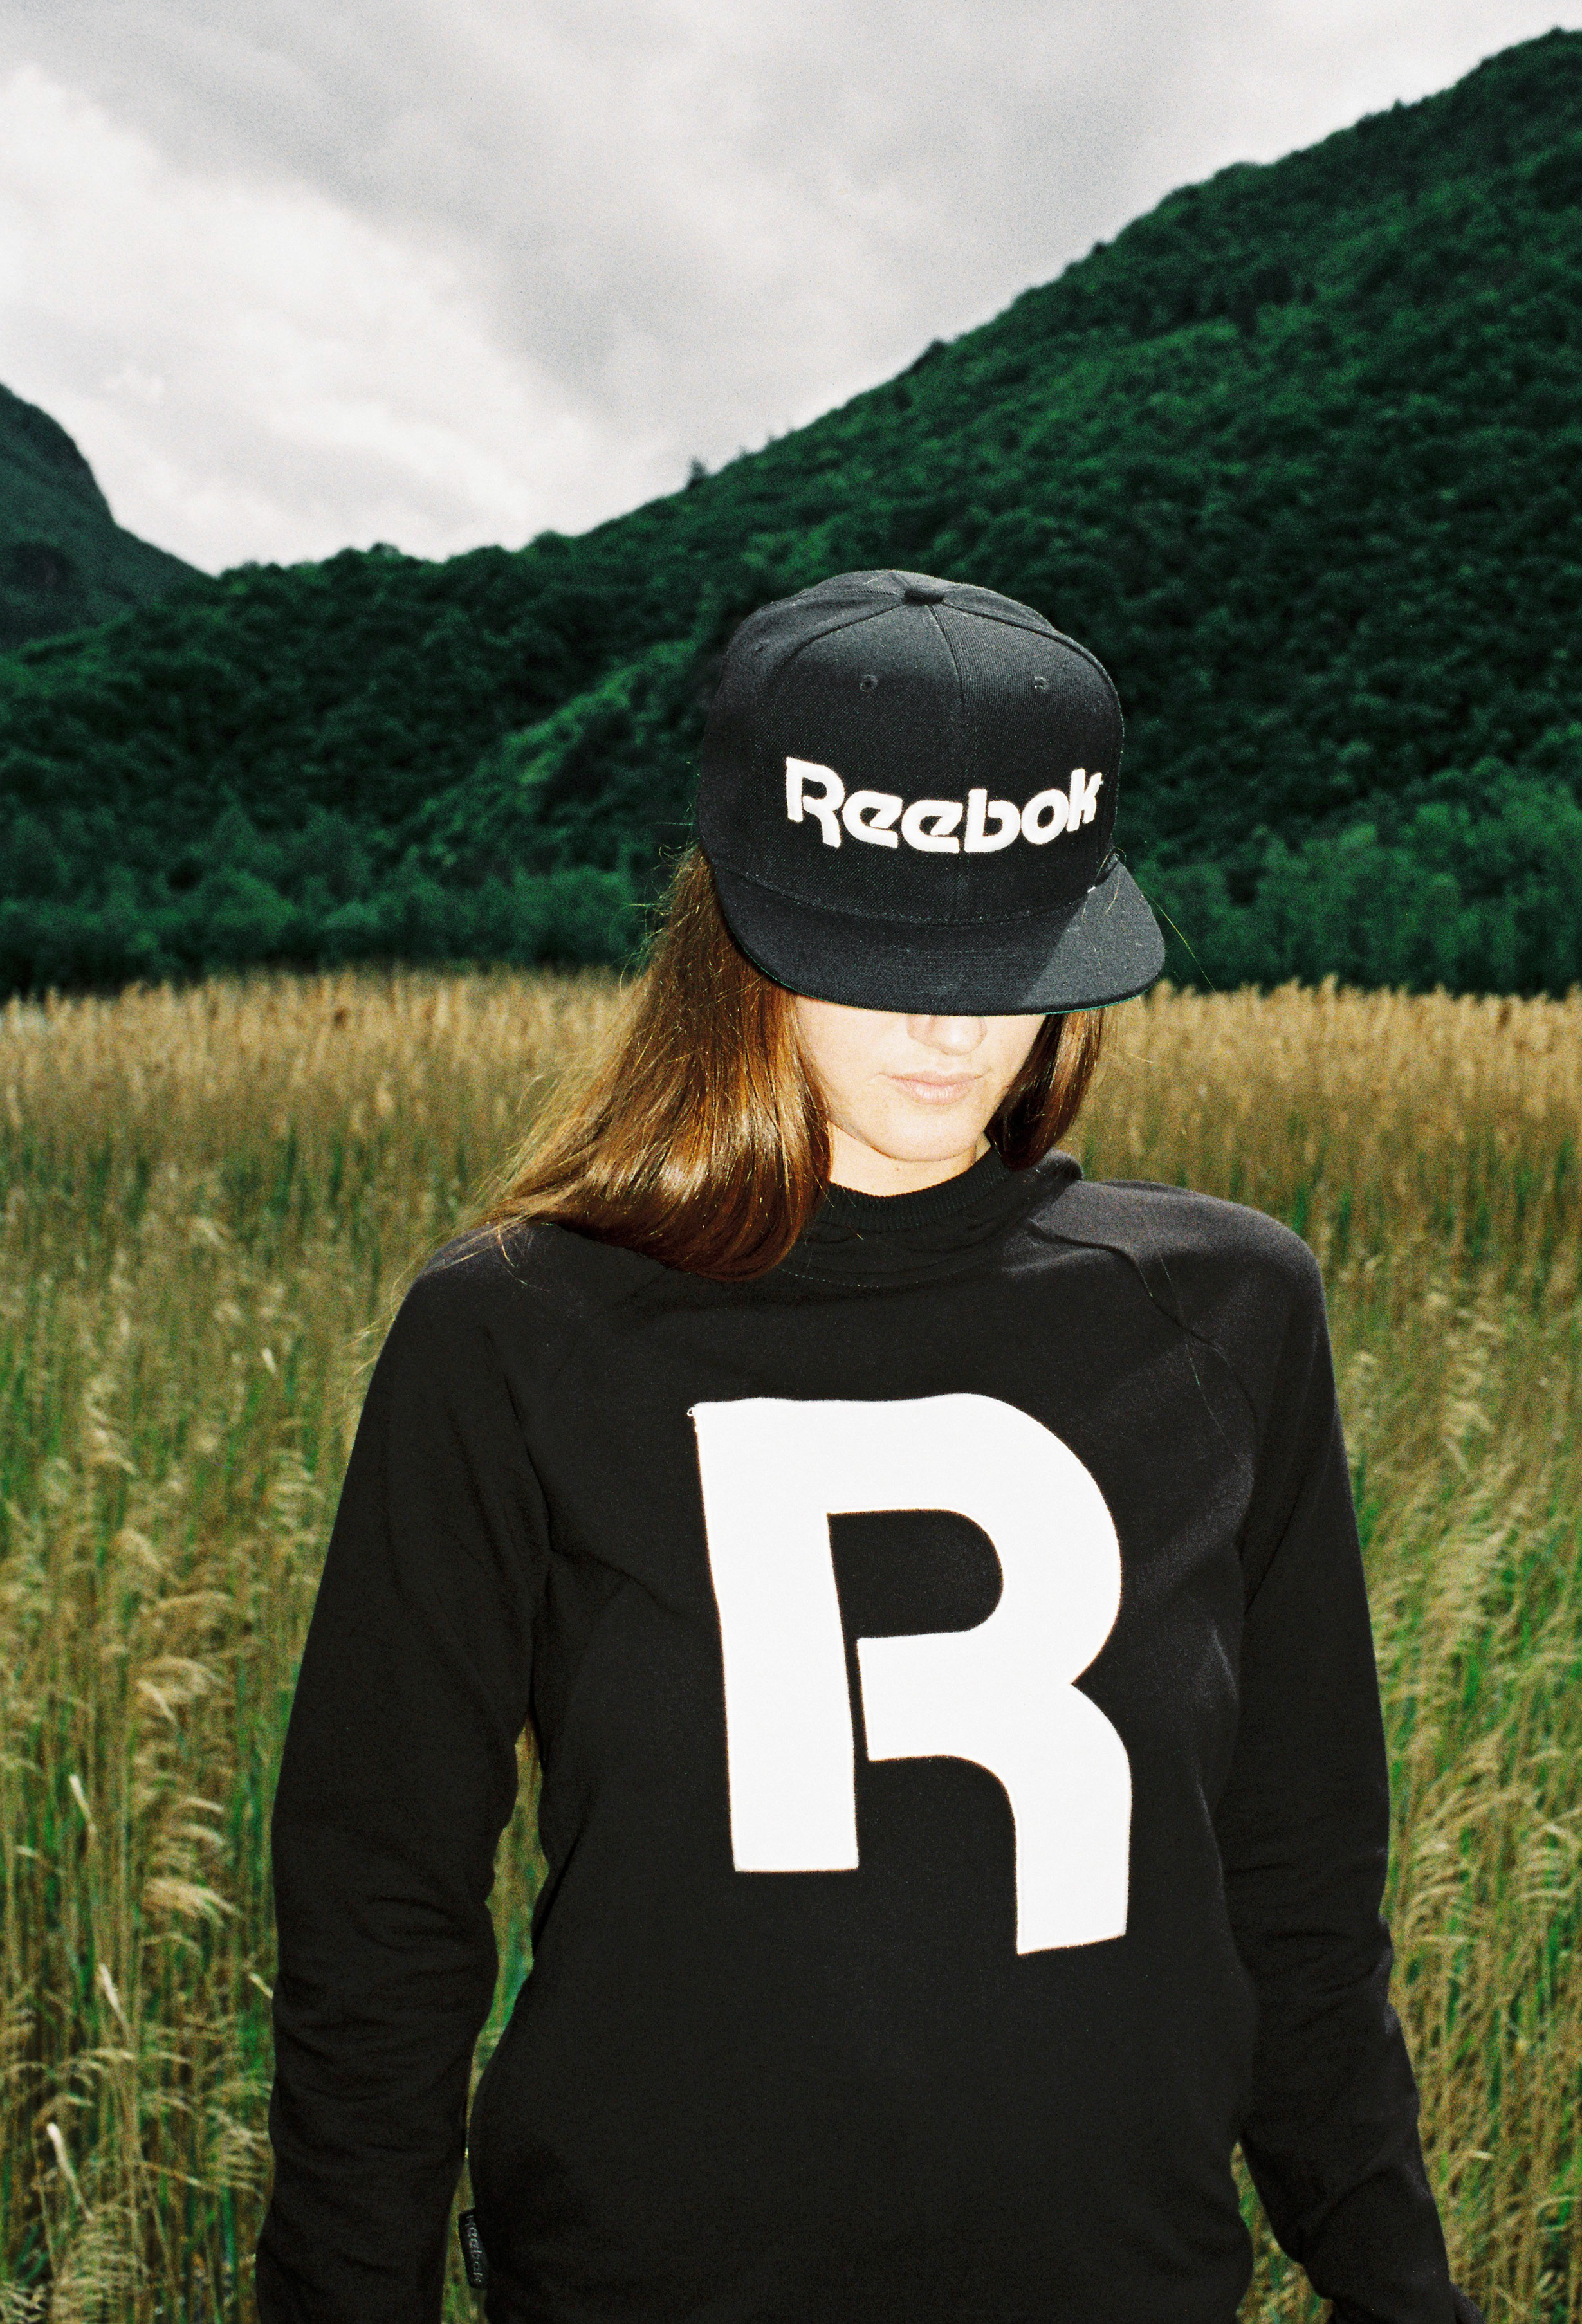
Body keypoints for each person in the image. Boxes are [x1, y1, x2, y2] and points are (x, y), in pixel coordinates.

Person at [255, 569, 1481, 2323]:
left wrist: (1401, 2293)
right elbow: (379, 1924)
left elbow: (1300, 1903)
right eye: (890, 956)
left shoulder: (1229, 1318)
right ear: (731, 936)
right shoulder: (513, 1335)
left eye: (1013, 958)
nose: (955, 1030)